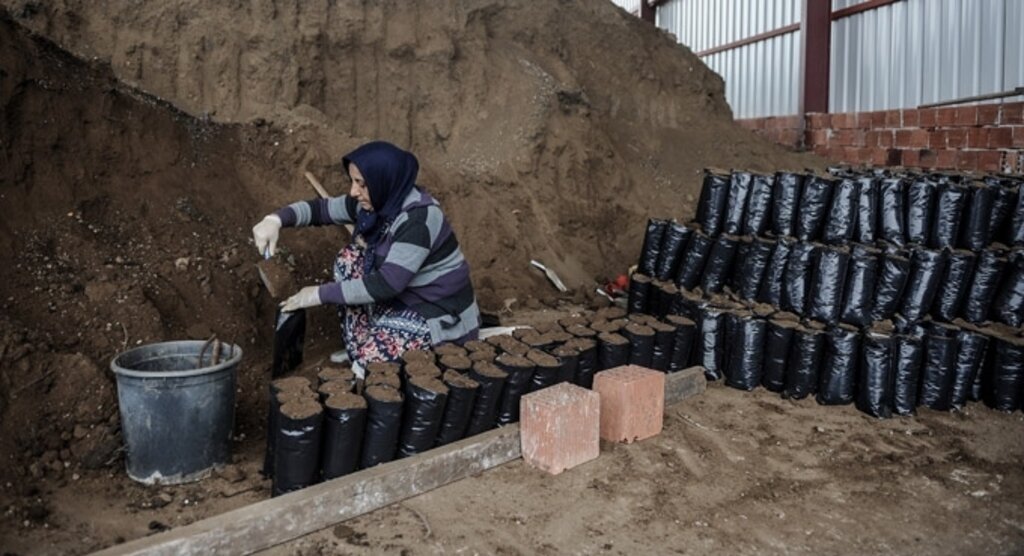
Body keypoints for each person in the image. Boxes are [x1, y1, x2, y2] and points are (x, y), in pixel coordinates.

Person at [252, 141, 480, 374]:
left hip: (438, 314)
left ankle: (369, 359)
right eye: (353, 181)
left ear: (383, 180)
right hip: (403, 300)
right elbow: (321, 210)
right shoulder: (378, 201)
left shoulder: (418, 219)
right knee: (349, 260)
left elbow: (387, 284)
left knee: (371, 369)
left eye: (361, 184)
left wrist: (318, 294)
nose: (353, 191)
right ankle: (360, 349)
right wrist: (275, 220)